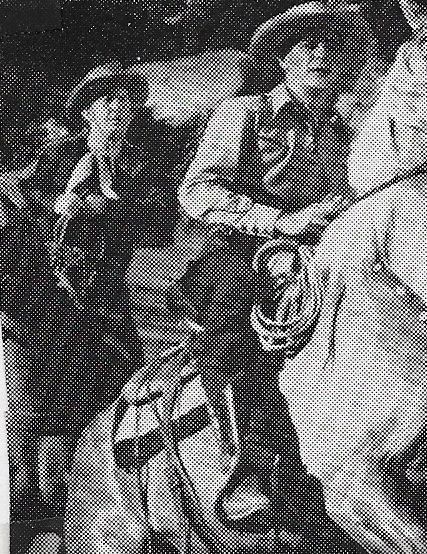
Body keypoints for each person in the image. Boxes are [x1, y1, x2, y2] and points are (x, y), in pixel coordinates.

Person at [178, 0, 371, 525]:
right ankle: (256, 463)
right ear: (284, 58)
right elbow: (196, 196)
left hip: (327, 247)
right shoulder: (242, 113)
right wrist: (278, 224)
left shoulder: (356, 119)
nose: (324, 61)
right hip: (244, 250)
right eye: (310, 48)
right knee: (238, 335)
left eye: (332, 49)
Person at [10, 61, 179, 549]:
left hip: (157, 309)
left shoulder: (160, 161)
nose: (111, 113)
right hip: (92, 336)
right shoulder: (71, 181)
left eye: (121, 101)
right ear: (85, 119)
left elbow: (172, 219)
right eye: (98, 106)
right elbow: (58, 269)